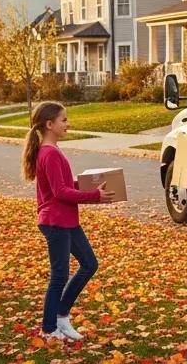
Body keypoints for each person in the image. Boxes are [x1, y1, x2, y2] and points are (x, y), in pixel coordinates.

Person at [21, 101, 119, 340]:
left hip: (66, 220)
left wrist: (91, 185)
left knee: (89, 264)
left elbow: (64, 186)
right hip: (55, 221)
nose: (67, 124)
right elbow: (60, 193)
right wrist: (95, 196)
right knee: (59, 275)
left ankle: (61, 317)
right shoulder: (50, 153)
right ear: (49, 124)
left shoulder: (51, 151)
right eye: (63, 120)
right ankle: (49, 328)